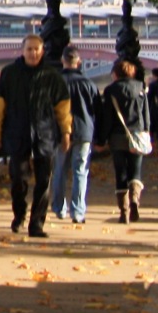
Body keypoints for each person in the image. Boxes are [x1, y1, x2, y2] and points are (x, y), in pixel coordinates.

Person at [0, 34, 71, 238]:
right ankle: (19, 214)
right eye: (29, 49)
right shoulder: (10, 74)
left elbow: (63, 107)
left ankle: (37, 223)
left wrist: (66, 131)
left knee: (44, 180)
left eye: (36, 49)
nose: (33, 53)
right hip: (17, 134)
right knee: (18, 179)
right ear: (22, 51)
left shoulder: (52, 76)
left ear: (42, 51)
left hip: (45, 135)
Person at [97, 58, 151, 222]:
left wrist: (101, 139)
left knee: (120, 172)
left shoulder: (110, 90)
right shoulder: (140, 88)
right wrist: (147, 131)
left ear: (116, 73)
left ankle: (124, 212)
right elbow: (146, 113)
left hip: (117, 136)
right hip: (137, 135)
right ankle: (135, 199)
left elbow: (107, 118)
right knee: (135, 171)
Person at [52, 47, 98, 224]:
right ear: (79, 62)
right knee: (80, 171)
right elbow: (96, 110)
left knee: (59, 170)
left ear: (62, 61)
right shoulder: (88, 84)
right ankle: (78, 211)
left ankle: (59, 207)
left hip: (60, 132)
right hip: (83, 131)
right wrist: (99, 136)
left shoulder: (56, 83)